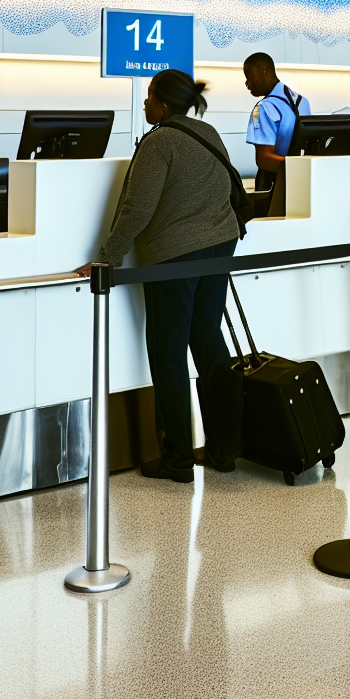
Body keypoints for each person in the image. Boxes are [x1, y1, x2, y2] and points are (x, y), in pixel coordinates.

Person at [97, 69, 242, 482]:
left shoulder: (160, 141)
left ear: (163, 104)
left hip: (173, 258)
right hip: (218, 248)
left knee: (168, 354)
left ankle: (178, 458)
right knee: (209, 344)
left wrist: (108, 257)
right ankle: (224, 448)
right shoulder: (208, 131)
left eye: (148, 98)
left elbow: (136, 210)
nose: (145, 104)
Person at [242, 52, 311, 190]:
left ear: (263, 70)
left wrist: (300, 168)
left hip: (274, 185)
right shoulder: (303, 101)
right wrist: (307, 169)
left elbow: (264, 160)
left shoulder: (262, 108)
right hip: (301, 183)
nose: (247, 83)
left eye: (249, 75)